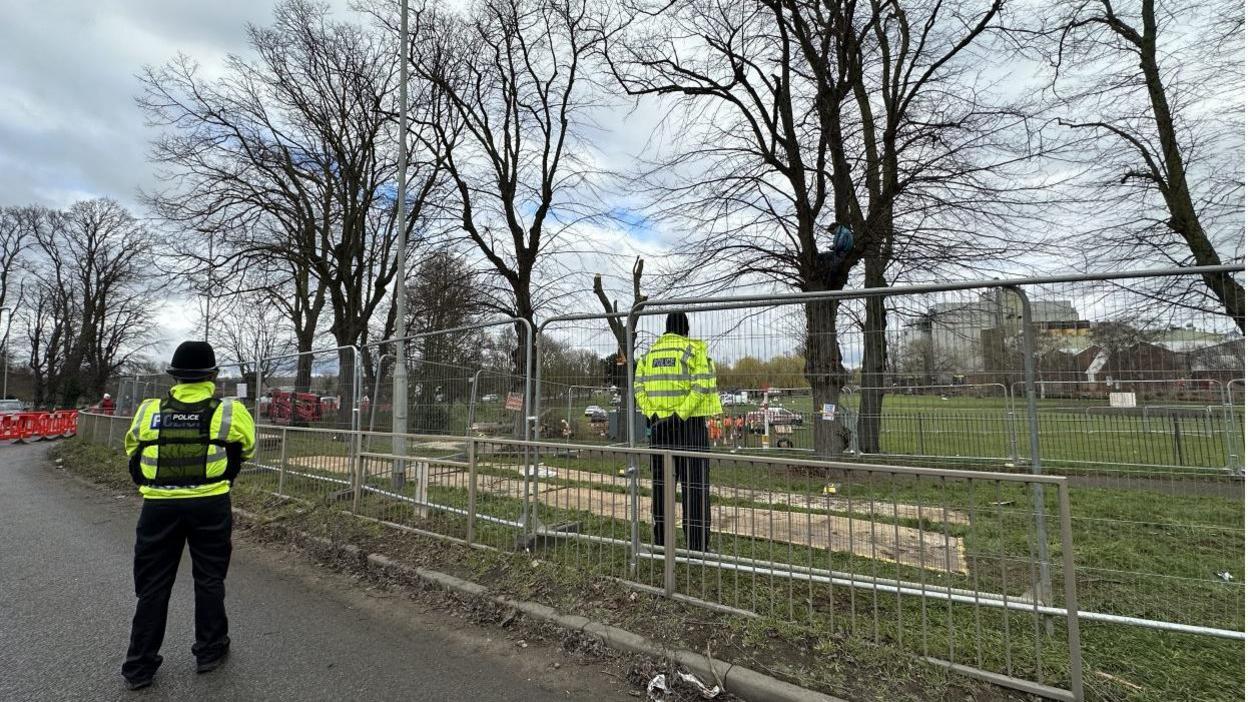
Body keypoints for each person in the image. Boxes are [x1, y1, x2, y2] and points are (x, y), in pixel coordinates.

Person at [120, 341, 256, 690]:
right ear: (212, 375)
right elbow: (248, 447)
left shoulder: (149, 409)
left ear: (175, 377)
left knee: (152, 586)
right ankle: (210, 650)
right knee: (209, 578)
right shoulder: (229, 411)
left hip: (158, 507)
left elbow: (132, 448)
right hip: (210, 503)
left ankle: (139, 666)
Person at [634, 312, 722, 552]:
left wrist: (653, 414)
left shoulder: (649, 355)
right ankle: (696, 547)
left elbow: (638, 387)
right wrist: (679, 415)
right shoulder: (693, 350)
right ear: (686, 329)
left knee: (662, 487)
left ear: (666, 329)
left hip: (659, 428)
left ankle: (662, 543)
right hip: (690, 426)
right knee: (695, 488)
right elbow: (702, 386)